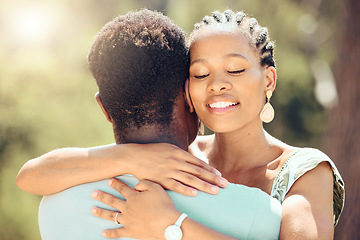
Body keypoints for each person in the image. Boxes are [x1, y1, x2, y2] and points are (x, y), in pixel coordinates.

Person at [17, 9, 282, 240]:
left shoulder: (55, 203)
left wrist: (129, 159)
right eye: (201, 75)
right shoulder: (258, 213)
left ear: (104, 108)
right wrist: (174, 225)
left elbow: (28, 175)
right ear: (188, 95)